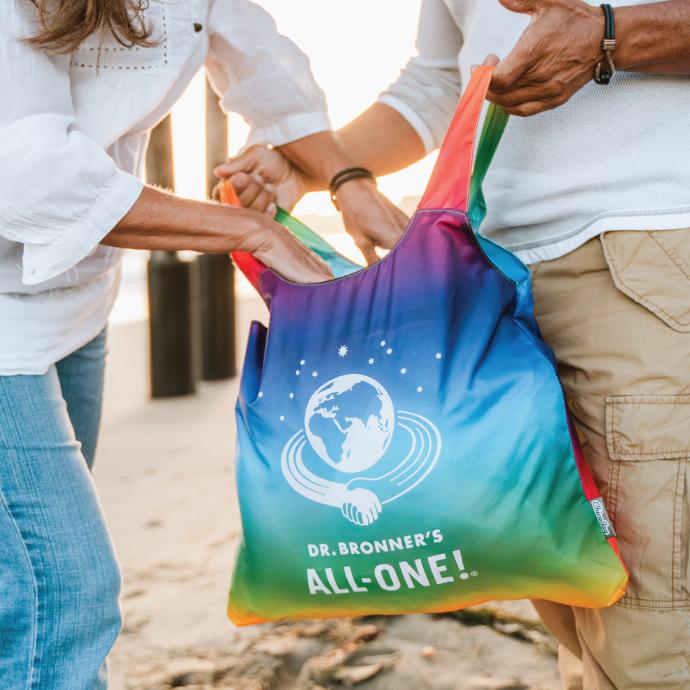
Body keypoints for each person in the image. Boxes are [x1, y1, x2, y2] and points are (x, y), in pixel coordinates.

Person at [217, 1, 690, 688]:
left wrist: (612, 35)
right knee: (575, 604)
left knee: (654, 623)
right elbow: (440, 81)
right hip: (492, 279)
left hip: (636, 248)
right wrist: (317, 167)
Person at [0, 1, 407, 687]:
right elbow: (31, 172)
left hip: (73, 297)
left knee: (20, 584)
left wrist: (345, 180)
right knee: (62, 596)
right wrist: (251, 231)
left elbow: (266, 69)